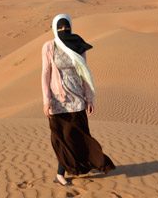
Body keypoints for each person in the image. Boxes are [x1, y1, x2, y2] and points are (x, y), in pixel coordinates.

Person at [41, 14, 116, 187]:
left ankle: (88, 164)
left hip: (77, 99)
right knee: (61, 138)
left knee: (80, 136)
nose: (63, 31)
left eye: (66, 27)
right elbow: (45, 74)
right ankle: (60, 173)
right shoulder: (49, 47)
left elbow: (84, 72)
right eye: (59, 28)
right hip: (58, 101)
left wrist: (89, 98)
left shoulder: (77, 45)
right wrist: (46, 100)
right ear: (54, 28)